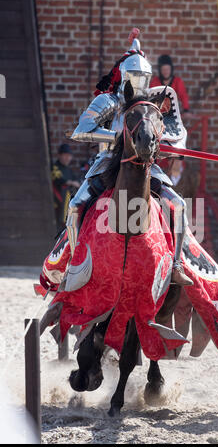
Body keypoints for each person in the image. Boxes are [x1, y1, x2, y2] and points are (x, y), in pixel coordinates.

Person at [67, 28, 193, 286]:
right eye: (134, 75)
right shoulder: (109, 100)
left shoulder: (153, 104)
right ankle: (74, 262)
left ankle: (177, 265)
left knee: (179, 204)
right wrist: (117, 138)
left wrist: (162, 143)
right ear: (125, 75)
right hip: (108, 163)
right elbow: (81, 132)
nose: (139, 80)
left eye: (143, 76)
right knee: (75, 207)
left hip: (146, 163)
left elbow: (178, 134)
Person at [150, 55, 192, 119]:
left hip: (173, 115)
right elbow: (150, 97)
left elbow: (183, 96)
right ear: (160, 70)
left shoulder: (177, 81)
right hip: (157, 114)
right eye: (163, 69)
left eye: (167, 69)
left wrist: (186, 110)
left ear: (171, 69)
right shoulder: (155, 81)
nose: (166, 71)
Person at [51, 143, 80, 232]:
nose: (68, 158)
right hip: (57, 200)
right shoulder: (55, 167)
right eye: (65, 155)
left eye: (69, 156)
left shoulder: (68, 170)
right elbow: (58, 179)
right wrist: (70, 183)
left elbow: (77, 183)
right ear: (59, 155)